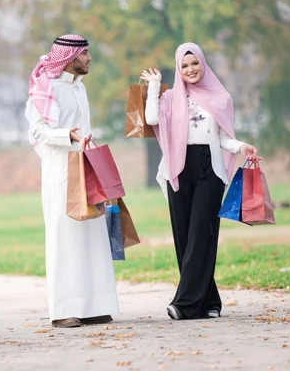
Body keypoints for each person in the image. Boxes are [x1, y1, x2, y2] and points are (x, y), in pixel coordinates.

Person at [140, 42, 260, 320]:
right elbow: (151, 118)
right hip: (178, 168)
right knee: (184, 236)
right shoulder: (170, 99)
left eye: (195, 63)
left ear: (203, 64)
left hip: (210, 169)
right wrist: (156, 85)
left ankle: (184, 304)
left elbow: (221, 138)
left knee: (201, 233)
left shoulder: (221, 98)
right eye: (184, 65)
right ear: (178, 69)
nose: (190, 69)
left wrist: (240, 146)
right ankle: (209, 301)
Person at [25, 34, 119, 328]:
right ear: (70, 57)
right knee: (64, 241)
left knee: (93, 238)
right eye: (85, 54)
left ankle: (94, 306)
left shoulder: (80, 90)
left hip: (87, 171)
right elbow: (37, 131)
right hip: (60, 177)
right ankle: (63, 310)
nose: (89, 58)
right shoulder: (45, 88)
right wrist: (68, 135)